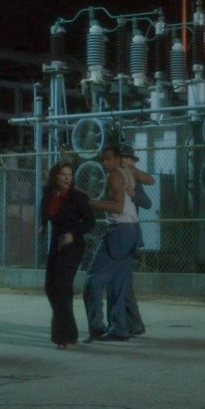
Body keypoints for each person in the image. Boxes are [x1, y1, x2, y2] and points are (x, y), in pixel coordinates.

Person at [83, 145, 141, 342]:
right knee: (118, 282)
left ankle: (97, 328)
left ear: (118, 159)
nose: (105, 163)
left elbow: (117, 207)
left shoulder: (115, 175)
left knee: (93, 280)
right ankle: (119, 328)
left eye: (108, 158)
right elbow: (149, 180)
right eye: (102, 159)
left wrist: (89, 202)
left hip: (120, 231)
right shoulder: (125, 173)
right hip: (132, 230)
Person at [40, 161, 95, 349]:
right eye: (63, 174)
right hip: (56, 244)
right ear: (56, 176)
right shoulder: (48, 193)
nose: (66, 178)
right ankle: (70, 333)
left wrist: (73, 234)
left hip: (73, 246)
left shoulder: (77, 197)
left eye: (69, 175)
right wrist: (41, 226)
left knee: (62, 288)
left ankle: (63, 336)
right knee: (50, 287)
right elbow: (45, 211)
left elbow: (90, 222)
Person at [119, 143, 155, 337]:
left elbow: (147, 203)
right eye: (123, 158)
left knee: (122, 281)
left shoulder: (135, 179)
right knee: (120, 281)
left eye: (128, 158)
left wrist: (133, 196)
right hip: (120, 233)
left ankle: (133, 323)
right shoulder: (115, 178)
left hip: (129, 234)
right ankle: (129, 323)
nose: (126, 161)